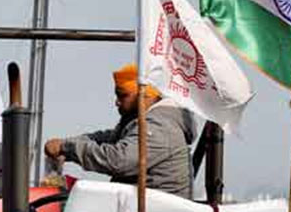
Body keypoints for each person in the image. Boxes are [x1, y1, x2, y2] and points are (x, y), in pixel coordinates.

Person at [43, 64, 197, 199]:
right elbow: (109, 138)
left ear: (145, 94)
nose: (117, 102)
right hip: (140, 210)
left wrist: (67, 148)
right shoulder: (140, 124)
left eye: (123, 95)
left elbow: (118, 160)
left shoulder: (160, 126)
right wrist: (68, 143)